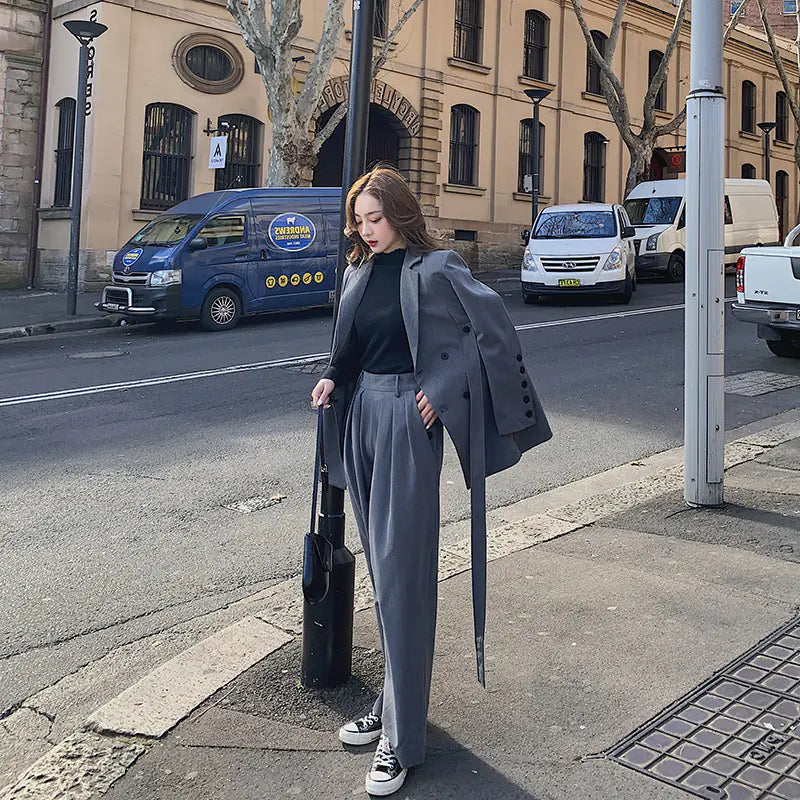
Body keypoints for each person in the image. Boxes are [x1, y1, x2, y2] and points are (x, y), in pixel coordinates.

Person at [311, 165, 551, 797]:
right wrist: (332, 376)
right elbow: (350, 347)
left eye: (376, 218)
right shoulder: (359, 273)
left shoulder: (438, 268)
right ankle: (394, 703)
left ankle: (402, 741)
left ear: (400, 214)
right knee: (383, 573)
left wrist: (440, 389)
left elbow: (490, 331)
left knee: (402, 575)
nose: (367, 230)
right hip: (361, 415)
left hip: (407, 419)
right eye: (359, 221)